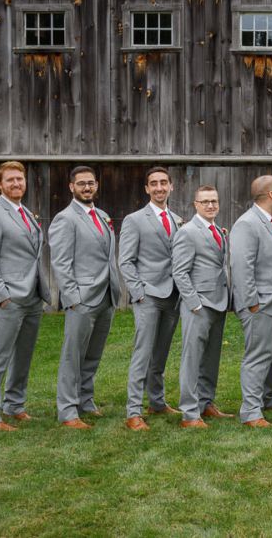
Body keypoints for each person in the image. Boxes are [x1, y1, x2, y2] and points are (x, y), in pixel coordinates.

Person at [0, 161, 51, 431]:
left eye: (20, 179)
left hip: (31, 298)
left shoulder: (26, 213)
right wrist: (1, 296)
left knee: (23, 356)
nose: (16, 183)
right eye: (10, 180)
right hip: (6, 299)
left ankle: (14, 405)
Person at [48, 166, 121, 429]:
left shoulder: (102, 215)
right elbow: (61, 263)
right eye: (81, 184)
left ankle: (85, 400)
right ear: (71, 187)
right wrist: (73, 298)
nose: (87, 188)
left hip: (106, 295)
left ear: (97, 185)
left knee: (93, 354)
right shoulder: (64, 219)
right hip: (82, 298)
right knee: (73, 355)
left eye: (91, 183)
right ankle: (67, 411)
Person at [118, 166, 183, 431]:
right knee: (142, 353)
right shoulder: (134, 220)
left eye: (163, 183)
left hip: (173, 295)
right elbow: (125, 260)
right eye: (153, 184)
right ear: (147, 189)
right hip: (149, 296)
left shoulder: (178, 219)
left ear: (171, 186)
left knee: (161, 352)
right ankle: (133, 411)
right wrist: (139, 293)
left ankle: (156, 401)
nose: (159, 188)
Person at [230, 175, 272, 428]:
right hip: (261, 304)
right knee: (257, 357)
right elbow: (241, 266)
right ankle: (250, 411)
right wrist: (252, 303)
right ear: (271, 195)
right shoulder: (247, 224)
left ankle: (268, 398)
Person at [171, 185, 233, 428]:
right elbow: (180, 271)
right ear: (195, 204)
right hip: (199, 304)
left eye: (214, 201)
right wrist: (194, 303)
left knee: (211, 357)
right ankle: (189, 412)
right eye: (205, 201)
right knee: (193, 358)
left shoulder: (218, 230)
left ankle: (206, 403)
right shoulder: (187, 232)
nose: (210, 205)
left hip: (218, 301)